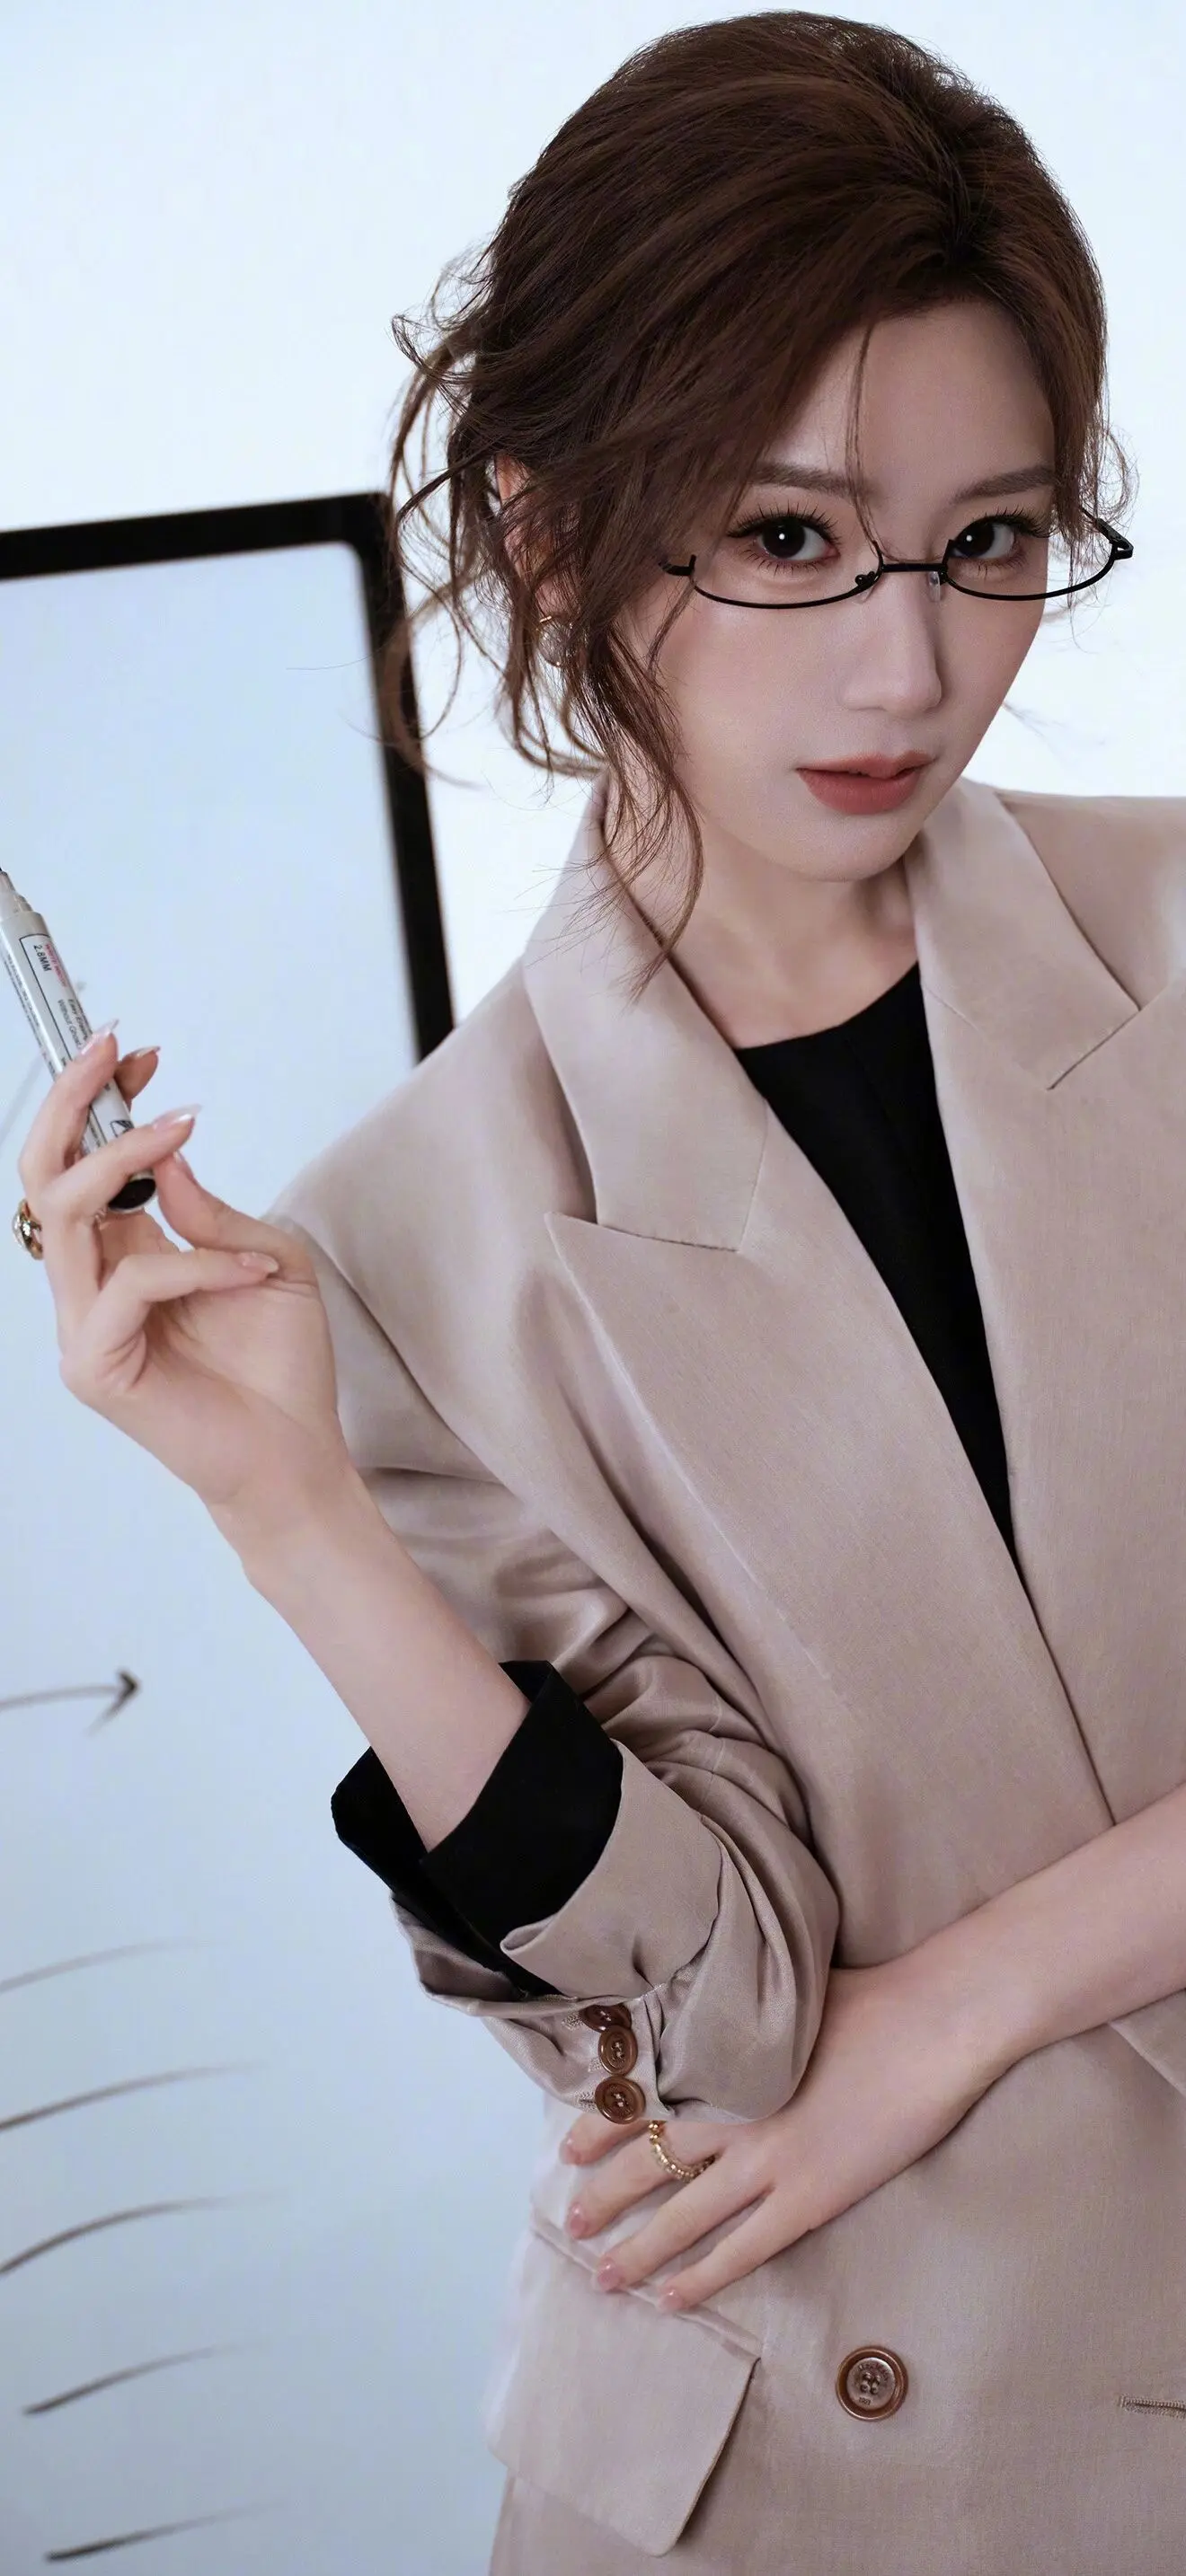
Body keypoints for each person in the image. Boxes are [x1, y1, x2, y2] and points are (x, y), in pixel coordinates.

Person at [14, 13, 1186, 2571]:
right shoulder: (407, 1239)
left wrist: (956, 2006)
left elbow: (849, 2041)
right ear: (548, 536)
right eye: (786, 539)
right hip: (840, 2464)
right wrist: (299, 1519)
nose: (907, 667)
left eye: (993, 540)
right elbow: (724, 2019)